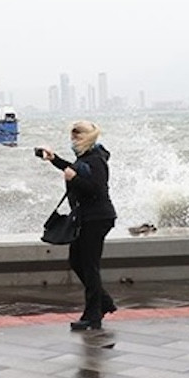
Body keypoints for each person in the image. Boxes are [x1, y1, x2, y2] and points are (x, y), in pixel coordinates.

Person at [37, 120, 118, 331]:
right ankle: (104, 303)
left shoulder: (96, 160)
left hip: (97, 218)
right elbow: (73, 170)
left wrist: (74, 179)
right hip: (86, 218)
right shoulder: (84, 157)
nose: (74, 140)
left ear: (87, 137)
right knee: (77, 261)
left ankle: (93, 316)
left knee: (90, 266)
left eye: (77, 136)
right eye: (72, 136)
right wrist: (54, 159)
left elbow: (97, 189)